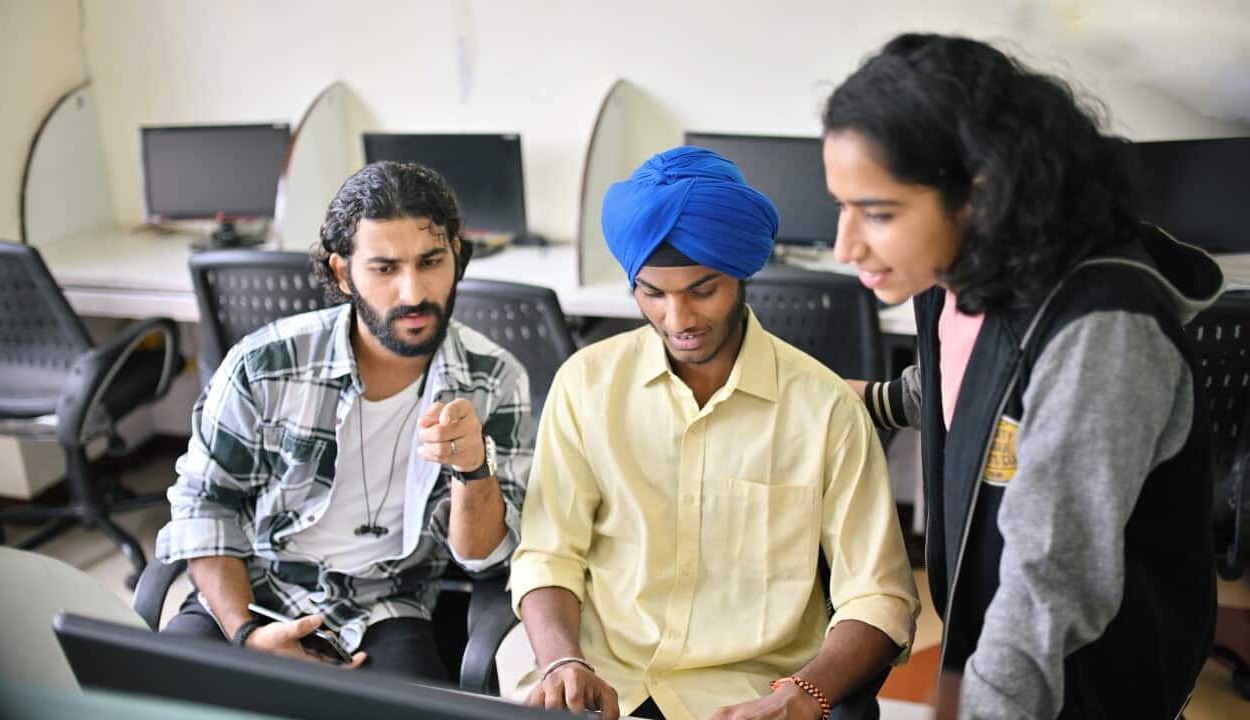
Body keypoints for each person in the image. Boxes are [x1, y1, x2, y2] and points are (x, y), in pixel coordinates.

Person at [824, 34, 1222, 719]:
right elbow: (972, 381)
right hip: (994, 648)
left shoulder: (1102, 332)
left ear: (980, 191)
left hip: (1080, 685)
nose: (845, 245)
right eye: (843, 206)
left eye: (878, 213)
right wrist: (874, 400)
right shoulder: (960, 271)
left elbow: (1051, 582)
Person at [509, 146, 919, 720]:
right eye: (652, 293)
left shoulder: (824, 409)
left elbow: (879, 597)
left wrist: (807, 693)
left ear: (742, 274)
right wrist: (561, 663)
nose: (678, 320)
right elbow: (549, 554)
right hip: (602, 677)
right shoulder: (585, 384)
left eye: (703, 290)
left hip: (744, 694)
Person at [155, 161, 532, 680]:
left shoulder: (494, 380)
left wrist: (473, 469)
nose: (414, 293)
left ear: (457, 258)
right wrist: (246, 633)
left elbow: (485, 561)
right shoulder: (265, 364)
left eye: (431, 262)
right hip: (260, 585)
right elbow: (204, 504)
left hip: (385, 603)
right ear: (342, 272)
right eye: (384, 268)